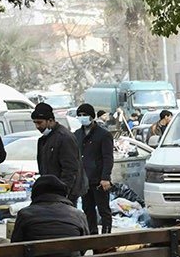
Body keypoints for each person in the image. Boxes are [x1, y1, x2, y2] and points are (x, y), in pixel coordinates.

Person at [10, 174, 90, 242]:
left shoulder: (25, 214)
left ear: (35, 193)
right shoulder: (78, 214)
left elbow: (16, 243)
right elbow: (85, 244)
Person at [74, 103, 114, 235]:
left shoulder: (103, 135)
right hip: (85, 180)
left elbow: (107, 158)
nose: (82, 117)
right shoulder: (77, 134)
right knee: (88, 209)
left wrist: (105, 177)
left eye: (84, 115)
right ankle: (92, 235)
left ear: (91, 116)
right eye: (79, 115)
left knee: (103, 210)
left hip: (98, 180)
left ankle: (106, 237)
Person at [32, 102, 82, 197]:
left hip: (64, 193)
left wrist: (64, 191)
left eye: (39, 123)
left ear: (50, 121)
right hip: (50, 192)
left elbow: (70, 169)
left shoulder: (64, 137)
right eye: (35, 123)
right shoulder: (43, 140)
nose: (37, 126)